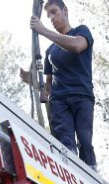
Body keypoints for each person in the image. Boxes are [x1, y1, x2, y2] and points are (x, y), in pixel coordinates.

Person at [29, 0, 96, 168]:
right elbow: (48, 84)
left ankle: (92, 177)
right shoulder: (50, 51)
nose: (51, 17)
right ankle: (69, 173)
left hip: (83, 97)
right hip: (59, 102)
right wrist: (41, 94)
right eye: (48, 15)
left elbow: (77, 46)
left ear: (65, 10)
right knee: (66, 146)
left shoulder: (81, 31)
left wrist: (43, 30)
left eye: (53, 12)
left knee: (85, 142)